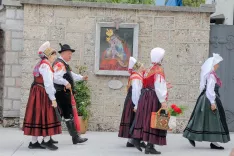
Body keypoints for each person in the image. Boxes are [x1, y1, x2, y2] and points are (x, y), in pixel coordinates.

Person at [183, 53, 230, 150]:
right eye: (217, 64)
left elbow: (202, 88)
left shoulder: (208, 74)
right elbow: (210, 90)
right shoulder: (211, 75)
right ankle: (213, 142)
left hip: (205, 98)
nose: (218, 65)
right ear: (213, 65)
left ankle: (209, 141)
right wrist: (212, 102)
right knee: (214, 120)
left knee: (201, 118)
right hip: (209, 98)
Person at [22, 41, 62, 151]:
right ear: (49, 55)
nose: (55, 58)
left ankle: (34, 142)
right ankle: (46, 141)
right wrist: (53, 98)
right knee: (47, 115)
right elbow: (48, 83)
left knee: (37, 115)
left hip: (37, 92)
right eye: (54, 55)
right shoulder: (46, 65)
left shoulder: (41, 63)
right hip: (42, 92)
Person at [132, 47, 168, 154]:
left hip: (145, 96)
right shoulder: (158, 69)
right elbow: (158, 85)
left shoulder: (149, 68)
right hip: (153, 97)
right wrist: (163, 100)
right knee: (153, 120)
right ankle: (149, 145)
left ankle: (140, 140)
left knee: (146, 119)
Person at [52, 43, 88, 144]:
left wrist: (81, 77)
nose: (70, 55)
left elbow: (70, 74)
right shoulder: (59, 64)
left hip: (63, 93)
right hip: (61, 93)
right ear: (63, 53)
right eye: (69, 53)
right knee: (65, 115)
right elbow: (55, 78)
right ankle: (75, 137)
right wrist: (66, 83)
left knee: (65, 115)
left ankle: (74, 137)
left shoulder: (64, 64)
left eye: (70, 53)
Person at [118, 57, 146, 148]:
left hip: (131, 100)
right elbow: (136, 91)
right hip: (134, 100)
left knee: (133, 118)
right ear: (138, 68)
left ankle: (133, 140)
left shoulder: (135, 76)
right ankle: (133, 140)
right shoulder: (136, 77)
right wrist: (137, 104)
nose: (143, 68)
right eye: (141, 67)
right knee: (135, 119)